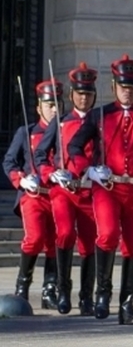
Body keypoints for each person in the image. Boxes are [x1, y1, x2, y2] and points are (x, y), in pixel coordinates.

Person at [67, 55, 133, 324]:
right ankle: (102, 294)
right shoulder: (99, 115)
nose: (127, 92)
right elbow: (74, 146)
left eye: (131, 87)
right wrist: (89, 169)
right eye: (122, 87)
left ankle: (127, 304)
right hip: (107, 187)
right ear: (113, 87)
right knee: (107, 235)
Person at [33, 62, 100, 316]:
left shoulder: (100, 120)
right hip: (64, 190)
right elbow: (41, 154)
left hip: (90, 190)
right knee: (64, 235)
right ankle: (63, 291)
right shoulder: (60, 122)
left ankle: (86, 297)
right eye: (80, 93)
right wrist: (52, 174)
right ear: (72, 95)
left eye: (89, 94)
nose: (84, 98)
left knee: (89, 243)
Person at [3, 80, 64, 310]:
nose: (55, 110)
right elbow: (9, 161)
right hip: (34, 196)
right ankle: (22, 286)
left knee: (55, 243)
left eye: (58, 104)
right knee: (35, 238)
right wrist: (21, 179)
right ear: (39, 107)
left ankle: (50, 289)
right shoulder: (26, 132)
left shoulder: (66, 132)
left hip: (57, 195)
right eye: (49, 104)